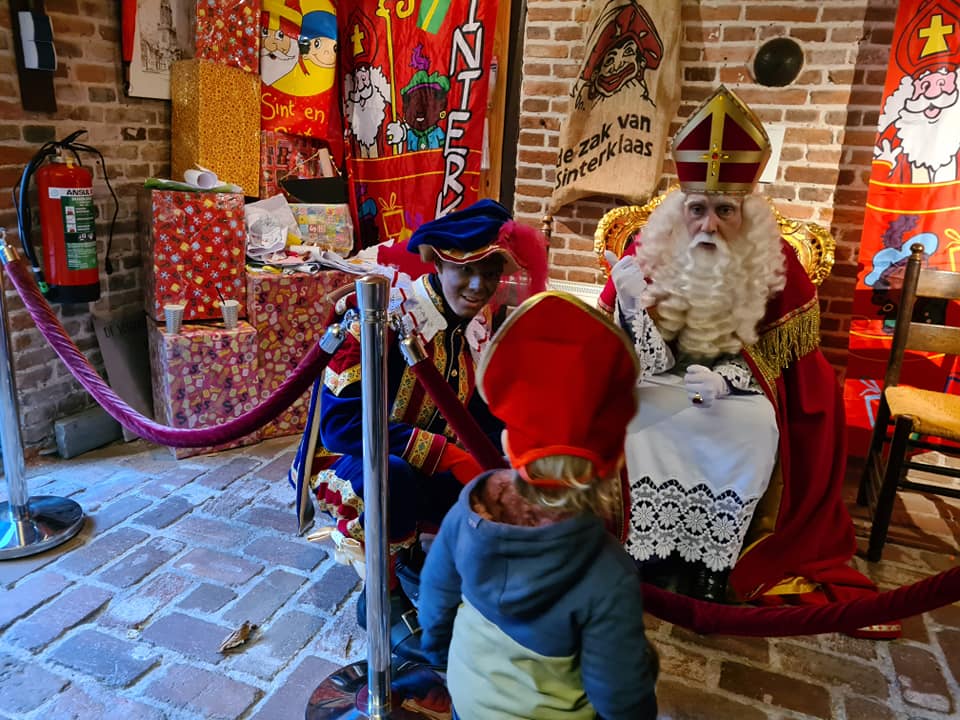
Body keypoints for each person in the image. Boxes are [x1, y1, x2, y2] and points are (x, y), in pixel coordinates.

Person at [603, 86, 895, 636]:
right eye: (697, 209)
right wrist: (631, 304)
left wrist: (729, 378)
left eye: (724, 209)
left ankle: (713, 565)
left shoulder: (775, 259)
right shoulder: (646, 250)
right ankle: (653, 552)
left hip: (734, 393)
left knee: (753, 425)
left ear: (746, 211)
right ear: (679, 210)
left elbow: (795, 371)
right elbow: (618, 353)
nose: (709, 224)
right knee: (640, 418)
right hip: (659, 381)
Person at [289, 198, 549, 656]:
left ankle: (429, 564)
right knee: (395, 476)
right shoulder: (381, 318)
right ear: (437, 263)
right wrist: (449, 454)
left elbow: (475, 413)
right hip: (354, 463)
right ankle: (382, 596)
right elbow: (340, 428)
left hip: (422, 460)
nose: (478, 286)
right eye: (465, 271)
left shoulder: (470, 327)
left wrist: (514, 462)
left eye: (490, 273)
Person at [419, 292, 659, 720]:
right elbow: (618, 696)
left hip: (468, 700)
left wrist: (440, 656)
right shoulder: (608, 573)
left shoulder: (471, 508)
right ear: (615, 462)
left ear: (509, 444)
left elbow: (436, 596)